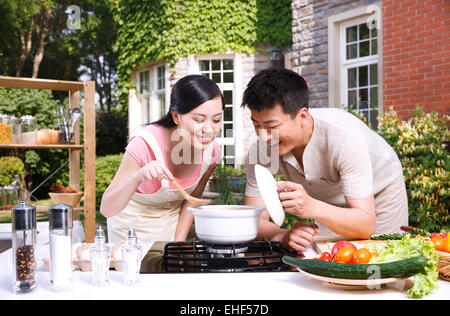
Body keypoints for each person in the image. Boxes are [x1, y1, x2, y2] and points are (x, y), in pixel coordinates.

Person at [242, 68, 408, 252]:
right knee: (331, 259)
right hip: (329, 199)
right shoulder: (261, 150)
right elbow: (254, 219)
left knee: (383, 259)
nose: (264, 137)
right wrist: (281, 235)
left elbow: (365, 225)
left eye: (271, 126)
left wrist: (311, 207)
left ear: (302, 117)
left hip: (381, 192)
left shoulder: (344, 138)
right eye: (256, 125)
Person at [100, 74, 223, 242]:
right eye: (199, 120)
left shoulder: (212, 152)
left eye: (216, 120)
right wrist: (139, 176)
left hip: (168, 233)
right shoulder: (145, 144)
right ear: (176, 117)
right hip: (128, 236)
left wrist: (178, 243)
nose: (209, 129)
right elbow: (106, 208)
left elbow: (191, 202)